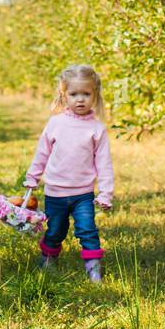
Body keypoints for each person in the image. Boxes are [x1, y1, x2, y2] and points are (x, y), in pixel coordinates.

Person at [23, 64, 115, 282]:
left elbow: (104, 164)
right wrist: (32, 177)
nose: (80, 99)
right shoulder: (56, 124)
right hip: (55, 192)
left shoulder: (96, 129)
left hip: (83, 194)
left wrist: (105, 193)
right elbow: (42, 153)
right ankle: (47, 260)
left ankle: (93, 271)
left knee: (87, 231)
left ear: (95, 95)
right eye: (74, 94)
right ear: (64, 95)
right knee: (55, 230)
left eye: (86, 94)